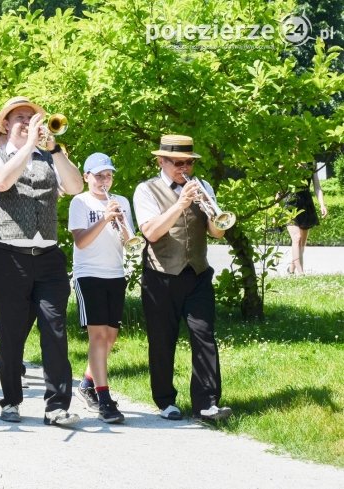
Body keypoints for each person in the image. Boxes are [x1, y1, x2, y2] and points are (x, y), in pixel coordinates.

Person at [0, 96, 84, 427]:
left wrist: (55, 150)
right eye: (20, 117)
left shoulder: (48, 156)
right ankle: (11, 400)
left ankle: (56, 405)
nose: (27, 122)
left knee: (55, 328)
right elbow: (0, 182)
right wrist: (29, 145)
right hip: (8, 256)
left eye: (32, 117)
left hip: (48, 257)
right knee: (11, 333)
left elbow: (75, 186)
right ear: (5, 124)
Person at [133, 134, 232, 422]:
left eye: (189, 162)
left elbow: (217, 233)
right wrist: (180, 204)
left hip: (197, 274)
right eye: (178, 163)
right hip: (161, 276)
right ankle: (166, 401)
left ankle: (207, 403)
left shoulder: (203, 186)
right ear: (161, 162)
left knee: (204, 336)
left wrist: (210, 210)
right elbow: (151, 233)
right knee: (162, 341)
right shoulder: (146, 190)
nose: (184, 168)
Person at [68, 153, 134, 424]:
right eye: (98, 176)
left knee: (110, 338)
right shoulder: (80, 202)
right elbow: (81, 241)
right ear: (86, 177)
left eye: (108, 175)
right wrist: (105, 219)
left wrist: (122, 224)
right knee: (97, 337)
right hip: (89, 274)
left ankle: (87, 383)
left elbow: (130, 241)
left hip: (115, 273)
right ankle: (104, 398)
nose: (104, 181)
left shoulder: (122, 202)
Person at [284, 165, 328, 274]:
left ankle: (291, 269)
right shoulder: (287, 159)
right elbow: (279, 187)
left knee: (302, 244)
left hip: (306, 203)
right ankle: (301, 273)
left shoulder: (311, 162)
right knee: (297, 238)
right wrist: (276, 209)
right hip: (290, 202)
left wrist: (322, 205)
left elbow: (317, 187)